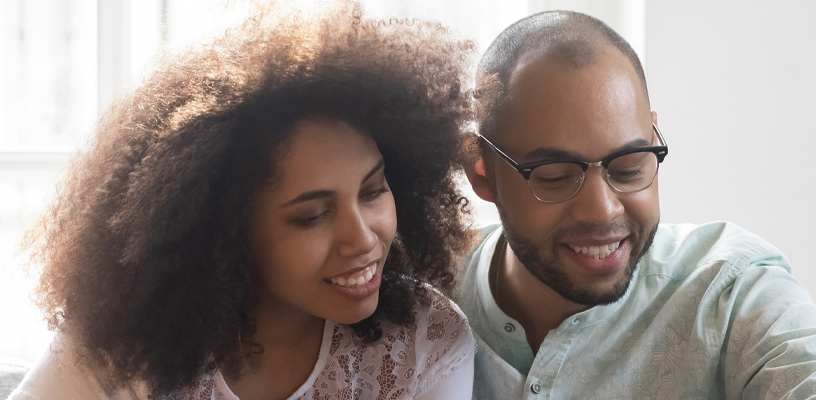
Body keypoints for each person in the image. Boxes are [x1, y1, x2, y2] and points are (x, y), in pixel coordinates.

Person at [9, 3, 478, 399]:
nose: (362, 238)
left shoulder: (426, 341)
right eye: (312, 216)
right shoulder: (122, 339)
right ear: (224, 230)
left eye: (373, 191)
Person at [457, 10, 816, 399]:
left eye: (628, 167)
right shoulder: (420, 295)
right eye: (555, 176)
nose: (603, 210)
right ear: (481, 171)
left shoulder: (726, 292)